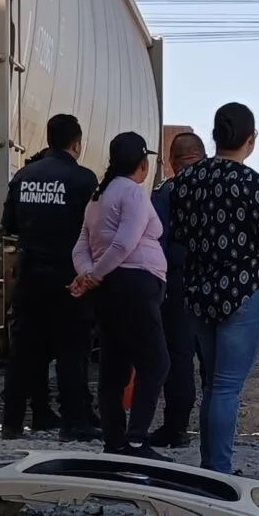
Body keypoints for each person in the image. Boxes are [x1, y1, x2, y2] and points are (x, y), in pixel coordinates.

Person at [170, 103, 259, 474]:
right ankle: (219, 469)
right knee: (227, 387)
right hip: (244, 291)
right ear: (250, 140)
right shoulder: (250, 182)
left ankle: (210, 465)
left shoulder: (187, 180)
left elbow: (180, 233)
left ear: (215, 136)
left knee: (213, 386)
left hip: (199, 291)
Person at [0, 114, 100, 441]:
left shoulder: (24, 176)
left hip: (29, 275)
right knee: (72, 349)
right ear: (76, 144)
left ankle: (14, 420)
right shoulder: (84, 180)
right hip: (69, 276)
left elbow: (10, 224)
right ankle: (74, 421)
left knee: (25, 350)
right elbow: (95, 230)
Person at [71, 132, 171, 459]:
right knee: (155, 362)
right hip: (136, 285)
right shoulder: (133, 193)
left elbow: (81, 246)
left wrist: (88, 276)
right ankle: (138, 441)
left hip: (110, 291)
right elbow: (125, 243)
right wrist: (93, 276)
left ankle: (114, 441)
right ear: (143, 164)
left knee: (114, 367)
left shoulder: (98, 198)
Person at [148, 132, 207, 448]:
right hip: (223, 284)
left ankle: (176, 428)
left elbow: (157, 238)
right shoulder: (225, 184)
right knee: (217, 362)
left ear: (172, 162)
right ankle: (216, 429)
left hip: (181, 281)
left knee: (180, 356)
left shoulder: (170, 191)